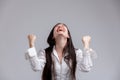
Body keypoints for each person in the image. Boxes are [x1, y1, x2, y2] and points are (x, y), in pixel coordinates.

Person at [25, 23, 97, 80]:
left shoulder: (76, 52)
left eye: (63, 26)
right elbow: (36, 67)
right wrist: (31, 44)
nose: (60, 26)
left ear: (68, 35)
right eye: (57, 26)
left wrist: (86, 45)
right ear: (53, 36)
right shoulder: (45, 53)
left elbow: (85, 68)